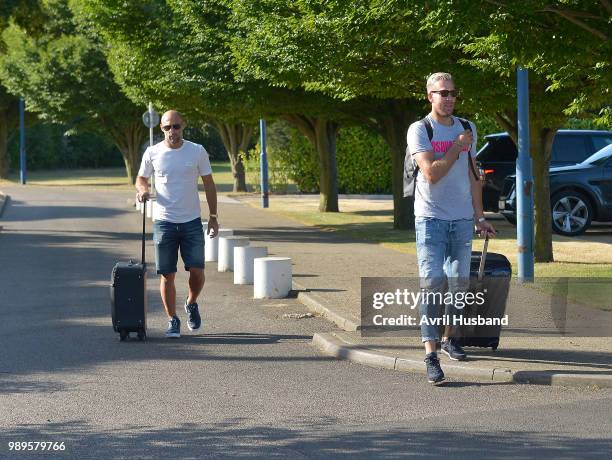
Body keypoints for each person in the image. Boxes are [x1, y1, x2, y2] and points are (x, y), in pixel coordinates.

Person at [407, 72, 496, 384]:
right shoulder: (421, 129)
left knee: (459, 285)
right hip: (430, 219)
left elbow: (474, 176)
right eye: (442, 93)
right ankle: (430, 354)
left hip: (460, 219)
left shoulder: (467, 127)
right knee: (432, 284)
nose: (448, 98)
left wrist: (479, 217)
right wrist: (456, 148)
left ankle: (449, 340)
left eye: (452, 93)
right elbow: (431, 173)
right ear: (429, 96)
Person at [135, 110, 219, 338]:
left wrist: (213, 216)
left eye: (176, 126)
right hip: (164, 222)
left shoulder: (197, 151)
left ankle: (191, 303)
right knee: (167, 275)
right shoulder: (153, 152)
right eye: (167, 127)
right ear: (160, 129)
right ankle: (172, 320)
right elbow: (141, 178)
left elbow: (209, 184)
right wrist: (143, 189)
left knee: (198, 271)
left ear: (183, 126)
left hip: (191, 221)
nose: (172, 131)